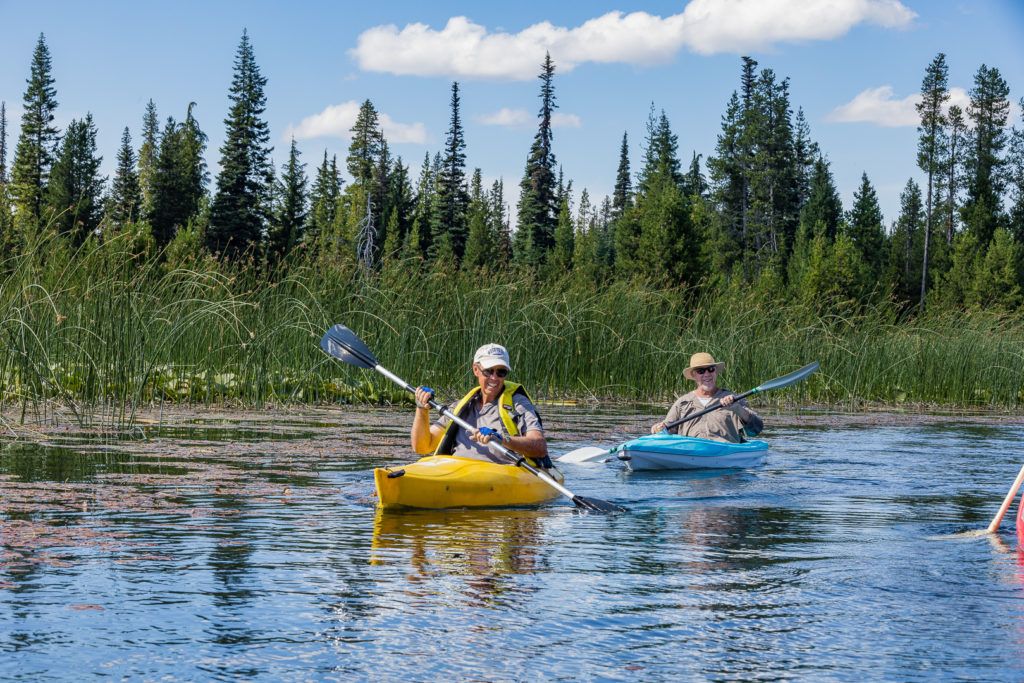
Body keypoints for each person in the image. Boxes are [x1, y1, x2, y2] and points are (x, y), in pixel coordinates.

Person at [411, 343, 552, 468]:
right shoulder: (460, 407)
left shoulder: (519, 404)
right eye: (489, 371)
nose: (494, 378)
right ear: (476, 369)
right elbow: (423, 447)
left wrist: (502, 439)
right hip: (456, 472)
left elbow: (540, 447)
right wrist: (422, 409)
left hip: (498, 476)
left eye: (501, 372)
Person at [651, 352, 763, 443]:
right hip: (690, 451)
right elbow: (666, 432)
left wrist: (737, 408)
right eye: (701, 371)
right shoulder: (682, 403)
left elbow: (755, 430)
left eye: (710, 369)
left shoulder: (734, 399)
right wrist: (658, 428)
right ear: (694, 375)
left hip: (724, 454)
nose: (707, 374)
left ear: (715, 372)